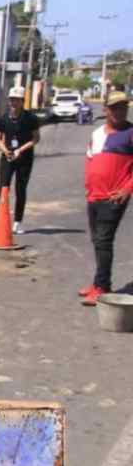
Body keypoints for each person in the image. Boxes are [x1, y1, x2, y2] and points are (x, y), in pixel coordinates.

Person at [80, 91, 133, 306]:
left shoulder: (130, 133)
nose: (119, 111)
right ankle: (99, 283)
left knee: (103, 240)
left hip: (114, 198)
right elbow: (90, 160)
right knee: (97, 240)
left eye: (123, 107)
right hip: (94, 196)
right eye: (115, 108)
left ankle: (102, 287)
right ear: (105, 110)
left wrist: (127, 189)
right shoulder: (97, 133)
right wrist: (88, 186)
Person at [0, 86, 40, 235]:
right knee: (3, 188)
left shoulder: (31, 118)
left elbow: (36, 138)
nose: (13, 103)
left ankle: (17, 222)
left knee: (21, 189)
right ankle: (0, 222)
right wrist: (5, 150)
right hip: (7, 157)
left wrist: (20, 150)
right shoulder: (4, 118)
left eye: (16, 100)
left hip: (24, 157)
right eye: (11, 100)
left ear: (22, 101)